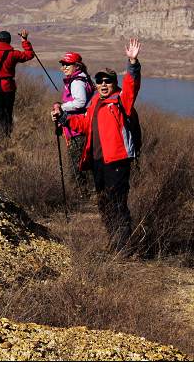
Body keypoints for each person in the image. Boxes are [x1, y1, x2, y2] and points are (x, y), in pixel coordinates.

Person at [52, 39, 142, 255]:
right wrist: (64, 118)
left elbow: (132, 85)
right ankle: (114, 241)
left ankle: (123, 248)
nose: (103, 85)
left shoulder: (122, 101)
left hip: (117, 161)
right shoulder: (94, 103)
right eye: (99, 81)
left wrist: (132, 62)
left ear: (114, 84)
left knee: (117, 202)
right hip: (98, 162)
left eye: (107, 82)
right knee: (104, 204)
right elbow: (84, 125)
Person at [0, 29, 34, 138]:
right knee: (8, 112)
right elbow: (29, 54)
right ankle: (7, 135)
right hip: (9, 88)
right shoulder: (13, 54)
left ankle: (0, 136)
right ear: (9, 41)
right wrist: (24, 41)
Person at [58, 51, 96, 197]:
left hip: (76, 127)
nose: (64, 67)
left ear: (76, 65)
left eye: (67, 64)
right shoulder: (83, 78)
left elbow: (80, 102)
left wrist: (62, 107)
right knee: (84, 159)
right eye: (63, 64)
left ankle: (81, 193)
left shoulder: (77, 81)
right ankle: (89, 190)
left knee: (76, 162)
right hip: (80, 125)